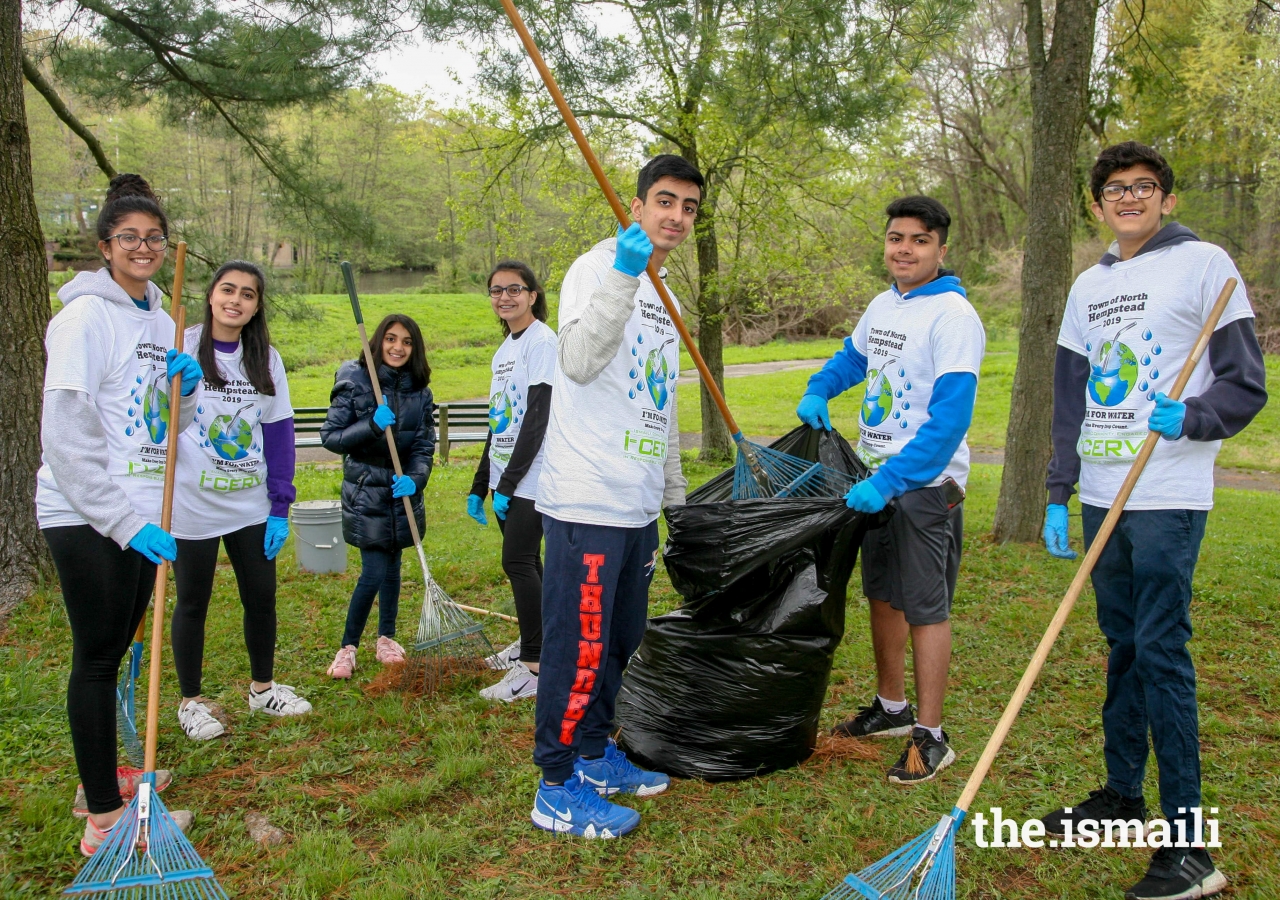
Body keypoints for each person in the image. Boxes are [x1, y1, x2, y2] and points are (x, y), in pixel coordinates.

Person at [1037, 141, 1265, 900]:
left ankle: (1192, 845)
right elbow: (1071, 399)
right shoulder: (1086, 286)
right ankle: (1122, 799)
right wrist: (1058, 489)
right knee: (1122, 644)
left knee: (1162, 651)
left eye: (1143, 186)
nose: (1128, 197)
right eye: (1113, 188)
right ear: (1098, 203)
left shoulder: (1208, 266)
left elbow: (1245, 384)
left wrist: (1193, 414)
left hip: (1165, 492)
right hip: (1104, 493)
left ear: (1166, 198)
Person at [529, 154, 696, 839]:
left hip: (636, 505)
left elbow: (666, 412)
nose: (676, 217)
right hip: (587, 500)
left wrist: (675, 499)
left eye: (688, 207)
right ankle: (557, 784)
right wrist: (626, 274)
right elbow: (578, 360)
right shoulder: (596, 269)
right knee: (578, 647)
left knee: (620, 642)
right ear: (634, 205)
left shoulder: (672, 300)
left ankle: (597, 755)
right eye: (664, 201)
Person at [36, 174, 201, 855]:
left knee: (119, 649)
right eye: (129, 237)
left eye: (153, 237)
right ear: (105, 246)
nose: (143, 247)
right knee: (99, 657)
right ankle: (102, 816)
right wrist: (124, 523)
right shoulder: (82, 319)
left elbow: (167, 422)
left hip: (141, 508)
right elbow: (66, 437)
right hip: (87, 512)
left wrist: (186, 394)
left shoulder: (163, 321)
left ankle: (112, 776)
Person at [796, 195, 985, 785]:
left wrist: (892, 481)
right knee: (882, 595)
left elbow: (949, 420)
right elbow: (853, 360)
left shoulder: (954, 316)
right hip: (874, 481)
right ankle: (892, 709)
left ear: (940, 249)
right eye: (896, 239)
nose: (904, 250)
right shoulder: (884, 305)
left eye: (918, 240)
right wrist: (819, 388)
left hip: (925, 488)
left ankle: (931, 736)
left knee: (926, 608)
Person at [168, 261, 312, 741]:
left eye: (247, 294)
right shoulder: (182, 345)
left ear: (255, 307)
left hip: (249, 505)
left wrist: (280, 503)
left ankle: (262, 689)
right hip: (192, 503)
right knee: (192, 601)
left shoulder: (266, 359)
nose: (236, 300)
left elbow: (279, 434)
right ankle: (191, 702)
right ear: (211, 295)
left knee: (261, 599)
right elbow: (158, 421)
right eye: (227, 290)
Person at [321, 314, 436, 677]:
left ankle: (386, 638)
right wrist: (370, 426)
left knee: (393, 570)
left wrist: (416, 478)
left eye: (406, 341)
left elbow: (423, 445)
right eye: (390, 339)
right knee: (373, 571)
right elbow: (331, 437)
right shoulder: (355, 380)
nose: (397, 348)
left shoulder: (420, 390)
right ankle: (347, 647)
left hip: (401, 493)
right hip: (367, 492)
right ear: (378, 341)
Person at [467, 261, 556, 702]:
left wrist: (509, 483)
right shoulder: (504, 351)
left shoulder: (543, 342)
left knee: (517, 562)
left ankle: (535, 668)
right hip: (507, 477)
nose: (505, 297)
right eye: (496, 290)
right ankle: (534, 641)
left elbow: (538, 418)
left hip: (532, 478)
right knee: (530, 564)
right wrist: (480, 483)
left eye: (514, 289)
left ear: (533, 295)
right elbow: (498, 422)